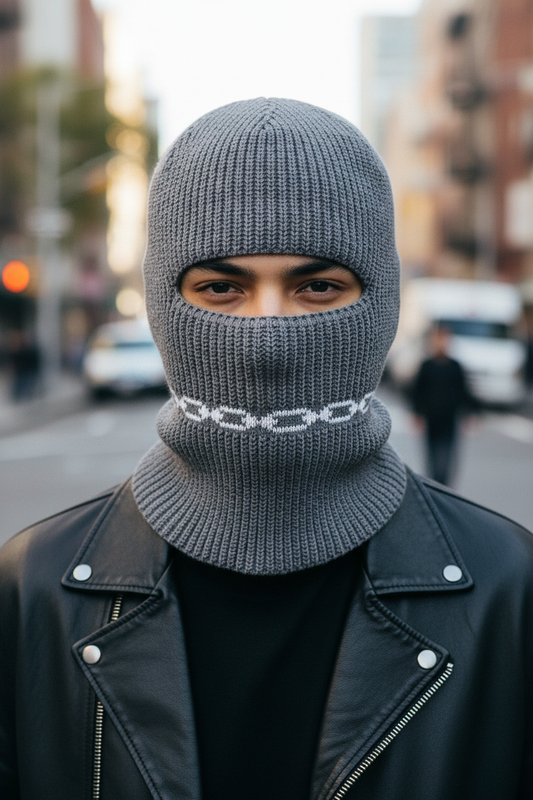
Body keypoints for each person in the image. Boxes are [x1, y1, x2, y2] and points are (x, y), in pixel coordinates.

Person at [1, 98, 533, 800]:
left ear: (379, 302)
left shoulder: (508, 589)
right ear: (164, 303)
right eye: (221, 287)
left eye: (317, 286)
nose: (268, 333)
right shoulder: (34, 586)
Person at [411, 324, 477, 485]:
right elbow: (417, 392)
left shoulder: (455, 367)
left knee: (446, 459)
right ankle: (434, 487)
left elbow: (464, 392)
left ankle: (444, 488)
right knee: (432, 458)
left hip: (449, 420)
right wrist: (417, 414)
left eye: (444, 339)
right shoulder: (426, 366)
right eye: (438, 340)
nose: (441, 343)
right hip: (431, 419)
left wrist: (472, 414)